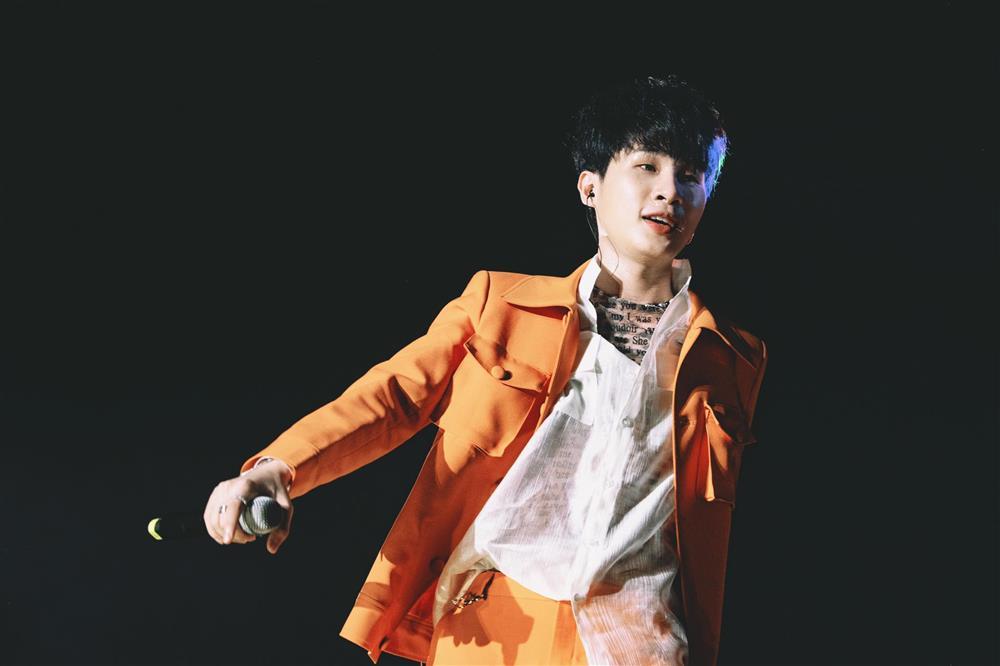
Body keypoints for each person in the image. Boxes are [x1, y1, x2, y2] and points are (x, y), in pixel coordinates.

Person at [203, 75, 768, 666]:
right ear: (590, 186)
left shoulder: (733, 358)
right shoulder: (501, 305)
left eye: (691, 175)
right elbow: (393, 397)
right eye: (647, 166)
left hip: (644, 640)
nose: (670, 191)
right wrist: (280, 467)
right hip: (499, 621)